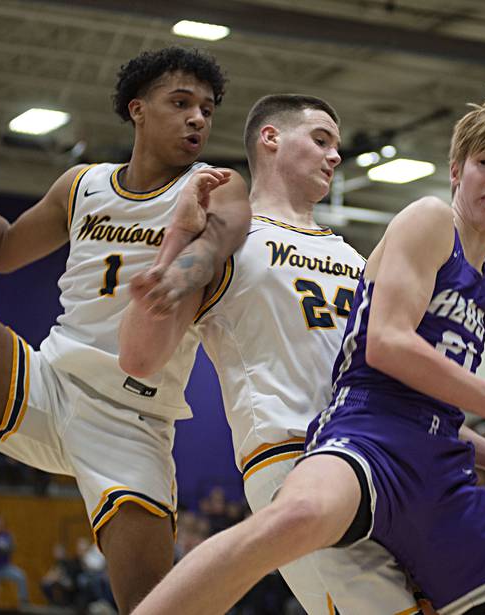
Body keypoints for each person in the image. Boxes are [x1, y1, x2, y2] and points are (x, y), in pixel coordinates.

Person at [131, 83, 485, 615]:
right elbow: (385, 349)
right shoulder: (241, 236)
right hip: (333, 444)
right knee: (289, 523)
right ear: (457, 169)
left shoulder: (374, 262)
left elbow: (421, 394)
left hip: (431, 461)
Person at [0, 45, 250, 612]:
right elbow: (0, 248)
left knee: (147, 605)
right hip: (48, 383)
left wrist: (180, 269)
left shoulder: (214, 183)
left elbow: (221, 239)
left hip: (132, 422)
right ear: (137, 109)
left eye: (207, 110)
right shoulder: (81, 184)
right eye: (181, 102)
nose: (198, 118)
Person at [121, 93, 430, 613]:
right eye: (321, 140)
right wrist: (176, 234)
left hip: (378, 464)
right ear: (271, 138)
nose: (335, 156)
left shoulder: (354, 257)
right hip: (293, 460)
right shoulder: (225, 241)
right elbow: (139, 358)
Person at [0, 514, 29, 615]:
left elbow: (11, 549)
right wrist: (2, 549)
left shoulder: (7, 535)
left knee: (21, 576)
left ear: (2, 524)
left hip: (5, 567)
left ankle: (24, 601)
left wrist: (0, 549)